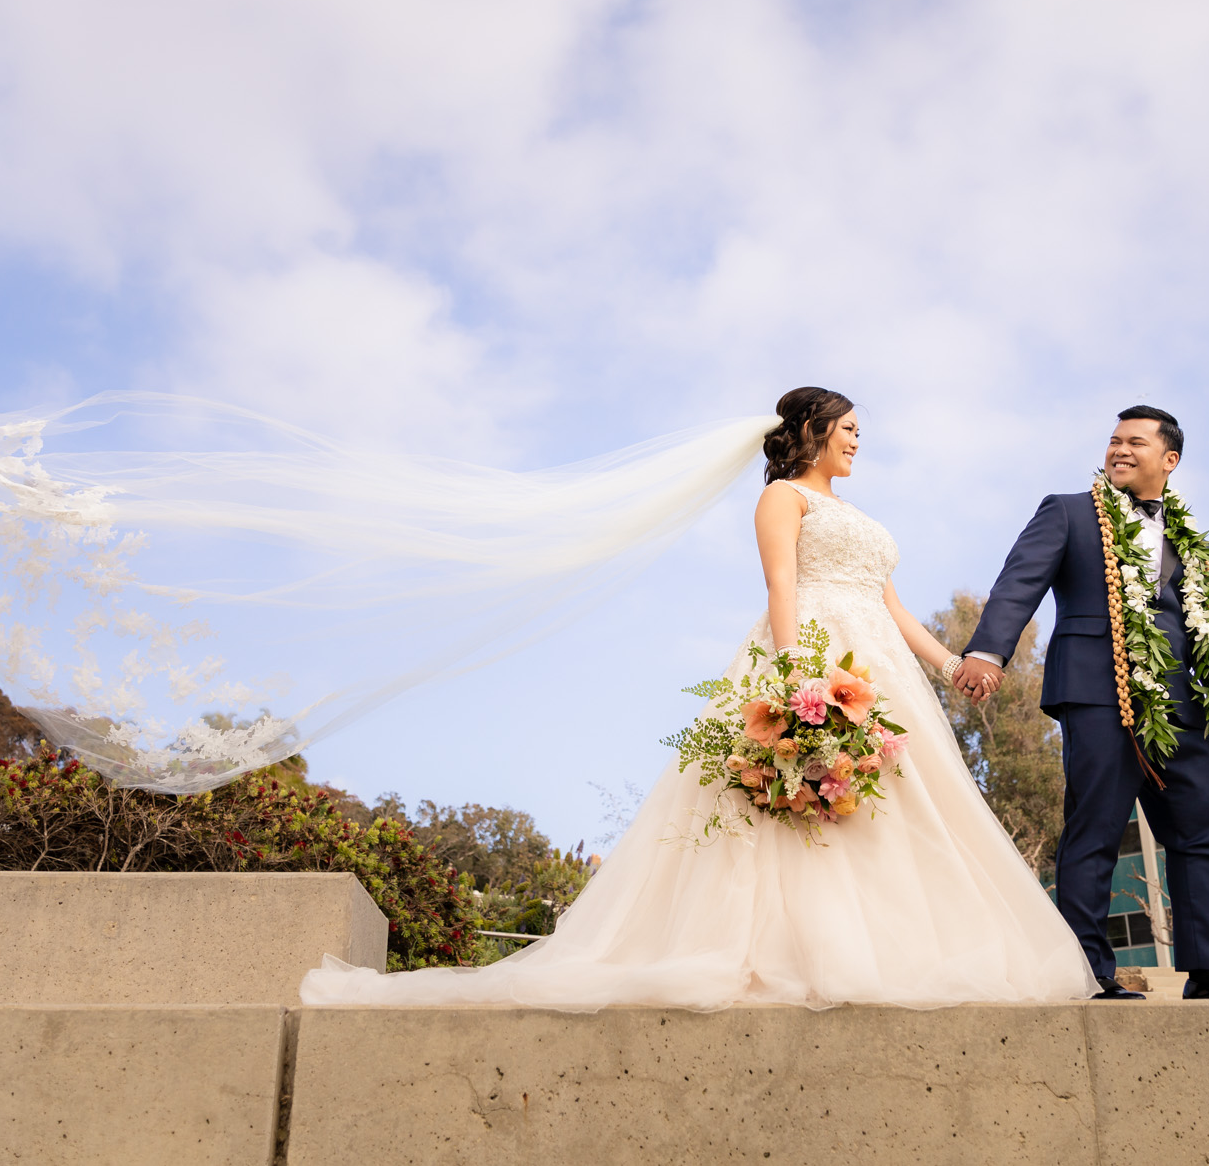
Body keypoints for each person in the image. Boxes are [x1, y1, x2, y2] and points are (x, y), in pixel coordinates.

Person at [300, 387, 1099, 1009]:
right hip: (815, 649)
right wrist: (799, 678)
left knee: (889, 800)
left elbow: (891, 605)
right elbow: (783, 584)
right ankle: (786, 951)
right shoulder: (784, 497)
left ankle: (893, 947)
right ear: (815, 429)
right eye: (849, 427)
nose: (859, 440)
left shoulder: (857, 514)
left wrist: (956, 663)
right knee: (789, 800)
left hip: (880, 659)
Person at [952, 407, 1209, 1000]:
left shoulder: (1190, 540)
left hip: (1183, 705)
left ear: (1169, 460)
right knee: (1095, 829)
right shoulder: (1068, 511)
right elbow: (1019, 581)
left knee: (1199, 837)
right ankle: (1089, 973)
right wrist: (988, 653)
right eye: (1114, 440)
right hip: (1099, 689)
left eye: (1136, 442)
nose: (1120, 449)